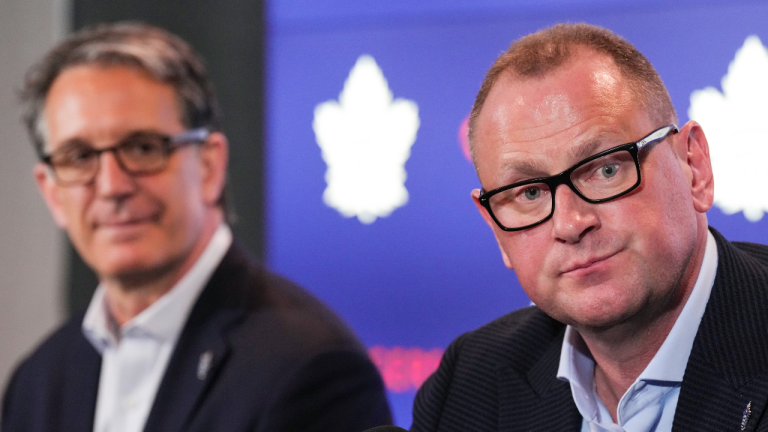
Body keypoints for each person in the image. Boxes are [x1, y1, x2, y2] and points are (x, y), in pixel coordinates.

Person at [1, 22, 391, 432]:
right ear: (51, 192)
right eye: (79, 157)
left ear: (209, 166)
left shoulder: (311, 366)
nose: (112, 186)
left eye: (143, 147)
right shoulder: (39, 380)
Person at [412, 23, 768, 431]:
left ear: (694, 168)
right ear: (496, 229)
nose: (570, 223)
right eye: (529, 194)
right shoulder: (470, 384)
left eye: (606, 169)